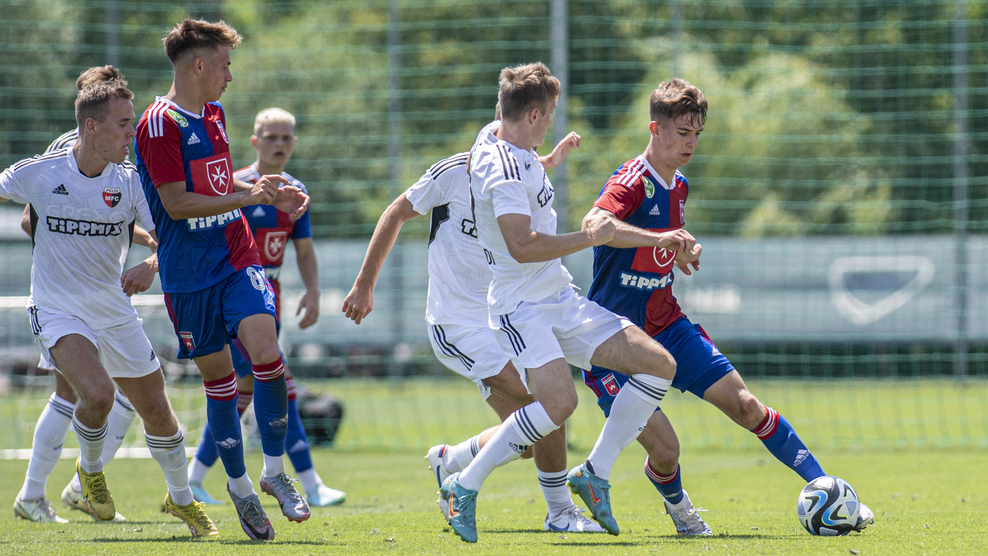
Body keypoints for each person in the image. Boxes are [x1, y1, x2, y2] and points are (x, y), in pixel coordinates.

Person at [582, 78, 873, 533]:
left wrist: (679, 251)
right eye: (683, 132)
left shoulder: (679, 186)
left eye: (697, 133)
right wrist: (661, 240)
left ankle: (831, 492)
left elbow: (656, 245)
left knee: (746, 406)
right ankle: (681, 510)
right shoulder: (631, 180)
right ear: (655, 128)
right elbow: (595, 224)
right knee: (666, 451)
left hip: (666, 326)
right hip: (613, 341)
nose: (691, 143)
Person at [438, 62, 696, 543]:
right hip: (521, 306)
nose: (552, 121)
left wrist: (548, 160)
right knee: (560, 404)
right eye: (551, 113)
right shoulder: (504, 169)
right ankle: (463, 484)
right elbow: (522, 245)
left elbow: (513, 158)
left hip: (557, 296)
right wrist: (588, 237)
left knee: (659, 364)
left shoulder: (499, 137)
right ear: (534, 115)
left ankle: (594, 474)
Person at [342, 107, 602, 533]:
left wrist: (551, 159)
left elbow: (529, 164)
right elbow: (396, 212)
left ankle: (452, 459)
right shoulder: (453, 172)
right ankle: (559, 514)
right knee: (547, 400)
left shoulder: (518, 170)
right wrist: (364, 284)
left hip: (504, 317)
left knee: (527, 437)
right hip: (457, 325)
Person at [1, 80, 216, 537]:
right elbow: (15, 204)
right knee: (96, 395)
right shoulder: (42, 171)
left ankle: (182, 500)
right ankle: (90, 474)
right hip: (56, 309)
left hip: (114, 309)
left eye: (132, 124)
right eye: (123, 124)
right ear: (91, 126)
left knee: (157, 410)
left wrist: (151, 265)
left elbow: (169, 238)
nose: (131, 134)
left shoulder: (131, 181)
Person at [134, 19, 311, 541]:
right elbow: (176, 203)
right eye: (225, 66)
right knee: (221, 383)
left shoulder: (213, 113)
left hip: (236, 256)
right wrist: (248, 195)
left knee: (268, 358)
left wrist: (265, 189)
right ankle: (240, 489)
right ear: (198, 65)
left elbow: (214, 184)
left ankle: (274, 472)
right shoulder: (158, 124)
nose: (230, 76)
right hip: (188, 275)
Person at [12, 65, 154, 525]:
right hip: (66, 297)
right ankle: (42, 493)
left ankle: (68, 490)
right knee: (85, 393)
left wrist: (140, 238)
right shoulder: (64, 151)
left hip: (105, 294)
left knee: (115, 395)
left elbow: (112, 212)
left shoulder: (121, 153)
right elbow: (32, 217)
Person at [188, 107, 346, 508]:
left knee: (242, 391)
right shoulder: (237, 186)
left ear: (294, 143)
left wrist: (313, 291)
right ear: (255, 141)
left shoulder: (295, 191)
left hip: (268, 300)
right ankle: (310, 483)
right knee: (282, 385)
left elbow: (304, 250)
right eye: (271, 137)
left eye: (286, 138)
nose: (279, 144)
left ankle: (193, 479)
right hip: (236, 301)